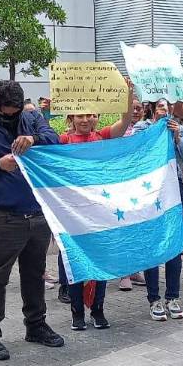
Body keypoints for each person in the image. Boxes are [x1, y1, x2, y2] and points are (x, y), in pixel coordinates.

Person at [0, 80, 64, 360]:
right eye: (8, 111)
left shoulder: (31, 119)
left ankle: (36, 325)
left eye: (17, 110)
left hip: (36, 210)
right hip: (2, 214)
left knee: (35, 273)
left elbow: (54, 139)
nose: (13, 115)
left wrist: (34, 139)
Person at [55, 91, 134, 331]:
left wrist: (128, 96)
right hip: (72, 215)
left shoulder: (104, 136)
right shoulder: (62, 142)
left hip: (100, 213)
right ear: (71, 117)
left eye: (90, 115)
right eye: (80, 115)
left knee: (101, 261)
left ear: (97, 117)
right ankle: (77, 312)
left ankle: (98, 310)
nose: (85, 120)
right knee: (75, 263)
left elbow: (126, 120)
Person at [131, 99, 183, 321]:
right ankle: (154, 298)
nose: (164, 111)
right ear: (152, 109)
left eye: (167, 108)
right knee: (153, 245)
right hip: (150, 192)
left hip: (174, 189)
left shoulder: (179, 128)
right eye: (160, 107)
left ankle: (173, 297)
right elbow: (134, 153)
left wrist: (177, 138)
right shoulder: (142, 128)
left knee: (174, 243)